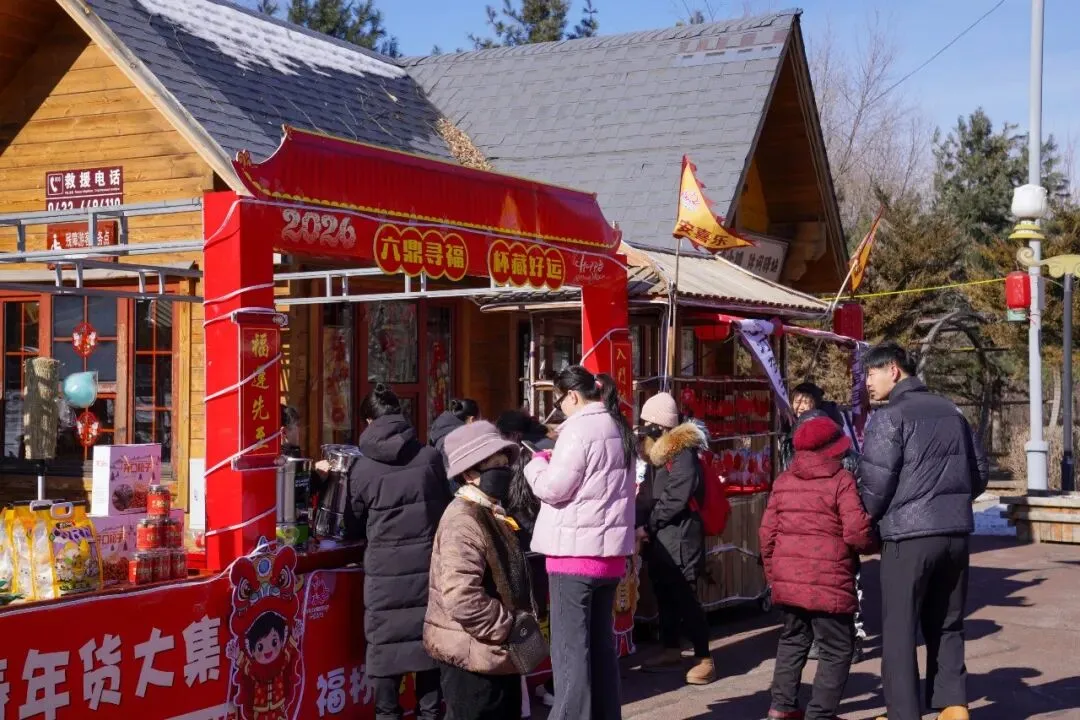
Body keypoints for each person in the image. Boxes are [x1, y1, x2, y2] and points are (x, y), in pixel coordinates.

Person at [859, 343, 989, 720]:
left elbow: (874, 487)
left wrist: (867, 523)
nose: (867, 382)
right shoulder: (952, 411)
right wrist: (950, 502)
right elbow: (979, 473)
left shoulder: (888, 417)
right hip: (955, 534)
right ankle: (953, 705)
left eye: (871, 373)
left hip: (907, 536)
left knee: (899, 630)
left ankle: (903, 713)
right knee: (947, 621)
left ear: (893, 370)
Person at [315, 384, 450, 720]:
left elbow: (351, 525)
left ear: (367, 421)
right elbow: (446, 510)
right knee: (429, 648)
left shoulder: (362, 470)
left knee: (386, 652)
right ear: (399, 415)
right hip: (428, 571)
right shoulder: (430, 458)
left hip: (384, 576)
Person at [523, 366, 636, 720]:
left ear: (572, 396)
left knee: (570, 655)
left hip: (573, 557)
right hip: (609, 557)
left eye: (559, 401)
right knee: (601, 651)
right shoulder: (619, 426)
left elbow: (553, 488)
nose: (559, 408)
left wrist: (536, 465)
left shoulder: (578, 430)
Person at [759, 415, 877, 720]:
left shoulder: (783, 482)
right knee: (837, 648)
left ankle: (782, 707)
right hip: (829, 584)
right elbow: (856, 533)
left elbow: (767, 534)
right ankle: (820, 714)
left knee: (792, 640)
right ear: (832, 450)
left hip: (789, 582)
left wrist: (774, 576)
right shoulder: (841, 481)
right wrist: (874, 544)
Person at [424, 421, 531, 719]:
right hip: (473, 657)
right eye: (494, 465)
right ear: (470, 474)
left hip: (493, 653)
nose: (504, 470)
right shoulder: (463, 520)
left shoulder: (490, 510)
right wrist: (508, 626)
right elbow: (462, 597)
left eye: (505, 462)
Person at [633, 391, 715, 685]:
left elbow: (676, 497)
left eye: (648, 423)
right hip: (660, 536)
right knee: (664, 593)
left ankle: (704, 657)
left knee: (685, 596)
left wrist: (648, 525)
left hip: (681, 535)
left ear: (661, 424)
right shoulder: (656, 453)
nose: (644, 429)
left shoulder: (683, 452)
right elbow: (648, 494)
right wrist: (640, 522)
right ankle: (670, 648)